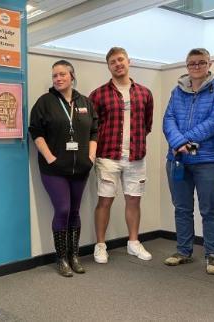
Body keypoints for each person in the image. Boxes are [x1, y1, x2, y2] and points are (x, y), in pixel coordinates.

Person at [163, 48, 214, 275]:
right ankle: (183, 251)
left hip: (208, 161)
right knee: (181, 208)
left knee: (209, 209)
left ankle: (213, 255)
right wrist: (178, 142)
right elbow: (168, 118)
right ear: (187, 65)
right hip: (178, 159)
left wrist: (186, 139)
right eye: (192, 63)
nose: (197, 66)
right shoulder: (177, 90)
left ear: (209, 64)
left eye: (201, 62)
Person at [29, 60, 98, 277]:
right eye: (54, 76)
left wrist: (91, 156)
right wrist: (50, 158)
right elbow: (36, 132)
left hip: (81, 168)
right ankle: (61, 258)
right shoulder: (45, 102)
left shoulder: (85, 102)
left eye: (62, 74)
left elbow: (94, 131)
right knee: (63, 210)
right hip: (54, 169)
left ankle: (74, 255)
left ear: (72, 76)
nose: (58, 79)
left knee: (75, 211)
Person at [89, 47, 154, 264]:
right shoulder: (98, 94)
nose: (117, 64)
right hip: (108, 156)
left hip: (136, 156)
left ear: (129, 61)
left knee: (134, 201)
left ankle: (133, 243)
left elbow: (147, 124)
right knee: (105, 201)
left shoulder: (144, 93)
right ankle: (100, 245)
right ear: (108, 67)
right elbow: (91, 126)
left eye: (120, 60)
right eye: (112, 62)